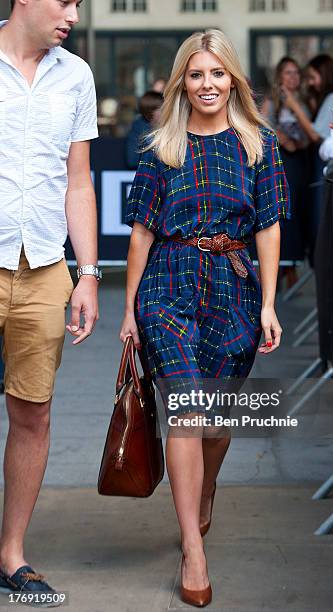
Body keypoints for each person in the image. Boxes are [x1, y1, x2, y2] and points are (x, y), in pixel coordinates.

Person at [120, 29, 290, 608]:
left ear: (233, 80)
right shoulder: (159, 147)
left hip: (234, 289)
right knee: (187, 409)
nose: (207, 84)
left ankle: (206, 484)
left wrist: (268, 303)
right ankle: (193, 544)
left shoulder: (258, 146)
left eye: (217, 74)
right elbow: (141, 233)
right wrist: (128, 312)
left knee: (215, 421)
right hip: (167, 286)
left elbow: (268, 227)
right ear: (181, 83)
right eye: (196, 75)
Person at [0, 0, 99, 598]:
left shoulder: (77, 75)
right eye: (63, 1)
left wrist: (87, 273)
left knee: (32, 412)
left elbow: (79, 178)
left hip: (43, 267)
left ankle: (11, 553)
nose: (72, 15)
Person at [280, 54, 333, 266]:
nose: (308, 82)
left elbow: (316, 136)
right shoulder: (327, 98)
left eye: (311, 76)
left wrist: (294, 106)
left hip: (324, 168)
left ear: (324, 74)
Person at [261, 57, 310, 288]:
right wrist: (285, 140)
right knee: (282, 210)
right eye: (287, 73)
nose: (292, 77)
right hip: (281, 160)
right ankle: (279, 266)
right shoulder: (271, 103)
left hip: (302, 160)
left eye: (295, 73)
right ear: (279, 76)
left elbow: (312, 132)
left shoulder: (305, 101)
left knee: (298, 209)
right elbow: (263, 128)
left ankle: (292, 265)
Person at [126, 90, 163, 168]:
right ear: (150, 112)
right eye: (161, 109)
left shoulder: (168, 127)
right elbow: (132, 161)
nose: (165, 112)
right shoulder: (138, 129)